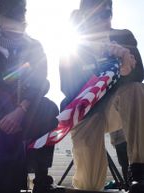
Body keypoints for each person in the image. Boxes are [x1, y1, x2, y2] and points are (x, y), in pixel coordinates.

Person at [0, 0, 59, 192]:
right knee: (4, 183)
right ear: (0, 21)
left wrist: (21, 110)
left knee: (49, 108)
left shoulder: (34, 47)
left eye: (18, 22)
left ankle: (42, 180)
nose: (14, 27)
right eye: (9, 21)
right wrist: (2, 118)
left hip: (27, 112)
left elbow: (41, 82)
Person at [59, 0, 144, 192]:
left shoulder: (123, 36)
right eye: (96, 15)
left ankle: (140, 173)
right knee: (89, 183)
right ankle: (85, 180)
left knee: (136, 90)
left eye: (107, 13)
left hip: (114, 107)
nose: (103, 19)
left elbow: (139, 74)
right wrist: (102, 69)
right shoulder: (72, 46)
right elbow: (68, 87)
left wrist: (123, 69)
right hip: (88, 112)